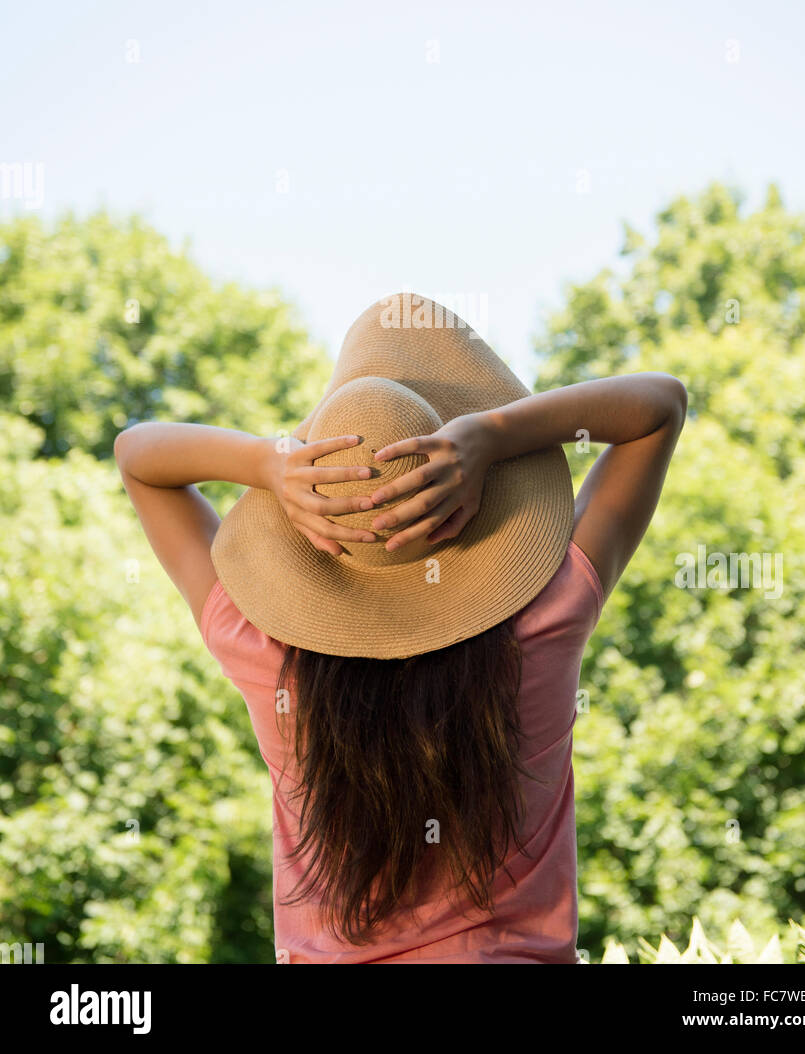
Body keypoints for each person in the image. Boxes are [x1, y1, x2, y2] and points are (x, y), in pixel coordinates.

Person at [114, 291, 687, 963]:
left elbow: (138, 455)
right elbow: (658, 406)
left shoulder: (263, 650)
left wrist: (268, 463)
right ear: (465, 497)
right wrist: (495, 434)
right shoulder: (548, 614)